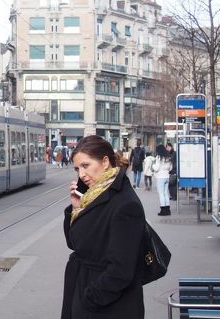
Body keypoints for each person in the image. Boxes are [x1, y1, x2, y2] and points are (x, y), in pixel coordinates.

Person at [62, 135, 145, 319]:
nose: (81, 174)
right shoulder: (94, 195)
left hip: (107, 307)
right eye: (77, 169)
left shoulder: (124, 204)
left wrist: (90, 299)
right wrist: (76, 209)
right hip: (86, 292)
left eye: (86, 165)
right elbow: (75, 243)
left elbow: (121, 270)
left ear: (105, 162)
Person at [152, 144, 173, 216]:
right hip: (167, 176)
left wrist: (153, 166)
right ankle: (168, 209)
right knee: (166, 193)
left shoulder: (159, 157)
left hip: (160, 177)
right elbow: (170, 168)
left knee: (161, 194)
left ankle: (163, 210)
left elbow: (157, 168)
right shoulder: (168, 157)